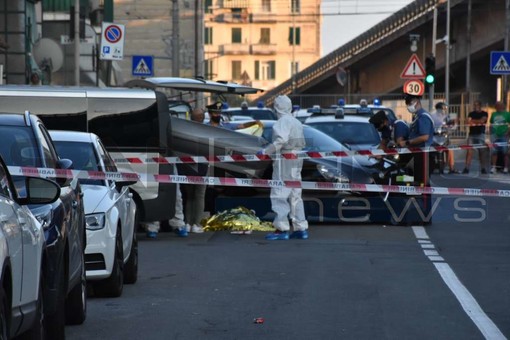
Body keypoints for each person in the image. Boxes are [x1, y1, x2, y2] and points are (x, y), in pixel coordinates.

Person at [259, 95, 308, 240]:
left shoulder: (282, 122)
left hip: (285, 159)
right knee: (295, 194)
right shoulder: (296, 122)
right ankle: (300, 228)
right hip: (297, 158)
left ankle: (281, 229)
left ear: (276, 108)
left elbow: (281, 140)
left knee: (279, 192)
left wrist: (265, 152)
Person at [181, 108, 207, 233]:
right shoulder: (206, 131)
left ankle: (187, 223)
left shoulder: (185, 130)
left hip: (187, 168)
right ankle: (196, 224)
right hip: (201, 168)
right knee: (200, 196)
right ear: (202, 118)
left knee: (189, 197)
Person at [401, 92, 435, 185]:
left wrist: (407, 142)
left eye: (409, 103)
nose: (408, 106)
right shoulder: (417, 117)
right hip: (419, 154)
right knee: (415, 181)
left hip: (424, 155)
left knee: (422, 183)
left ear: (416, 102)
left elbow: (425, 137)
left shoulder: (423, 117)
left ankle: (424, 199)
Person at [463, 100, 489, 174]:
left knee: (482, 151)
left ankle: (483, 168)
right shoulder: (471, 113)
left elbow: (482, 121)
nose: (475, 106)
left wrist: (473, 121)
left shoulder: (484, 113)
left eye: (476, 105)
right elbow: (468, 122)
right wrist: (477, 121)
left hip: (480, 134)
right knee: (469, 151)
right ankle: (466, 168)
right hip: (472, 134)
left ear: (480, 106)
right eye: (474, 105)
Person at [431, 102, 457, 174]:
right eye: (443, 109)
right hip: (434, 137)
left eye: (445, 109)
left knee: (450, 149)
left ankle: (451, 168)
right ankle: (429, 166)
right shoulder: (432, 116)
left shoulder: (447, 116)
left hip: (444, 137)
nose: (444, 110)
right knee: (429, 151)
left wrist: (451, 127)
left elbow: (452, 125)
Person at [487, 101, 510, 174]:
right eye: (496, 106)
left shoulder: (507, 114)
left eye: (499, 106)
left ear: (502, 106)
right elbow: (491, 123)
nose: (497, 107)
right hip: (495, 134)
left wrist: (508, 132)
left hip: (504, 134)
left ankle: (506, 167)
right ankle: (494, 167)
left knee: (505, 151)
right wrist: (490, 133)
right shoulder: (494, 114)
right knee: (494, 151)